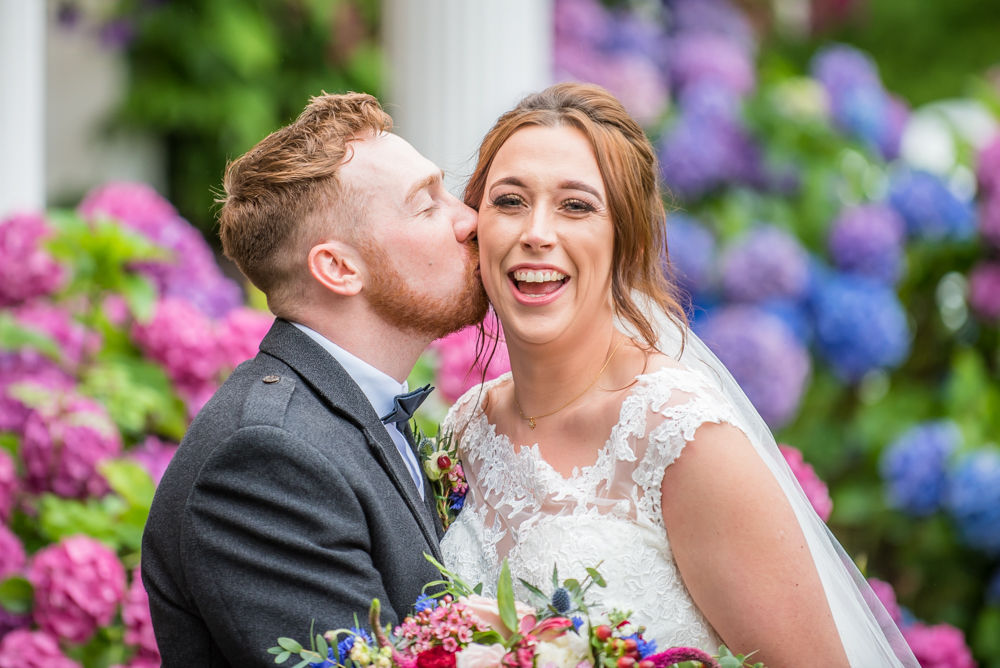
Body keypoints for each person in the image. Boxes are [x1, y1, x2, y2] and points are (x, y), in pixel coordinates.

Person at [440, 82, 919, 668]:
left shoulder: (682, 436)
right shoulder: (464, 431)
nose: (536, 232)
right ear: (475, 225)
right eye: (510, 201)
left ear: (625, 241)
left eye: (576, 206)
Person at [141, 92, 488, 667]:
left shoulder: (344, 415)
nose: (468, 218)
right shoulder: (265, 461)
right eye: (426, 205)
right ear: (338, 268)